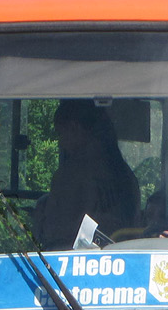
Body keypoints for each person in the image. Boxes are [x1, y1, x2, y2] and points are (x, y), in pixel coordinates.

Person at [33, 100, 139, 249]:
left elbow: (55, 232)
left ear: (74, 128)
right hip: (123, 259)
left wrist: (40, 217)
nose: (61, 143)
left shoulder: (70, 176)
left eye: (60, 134)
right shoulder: (126, 175)